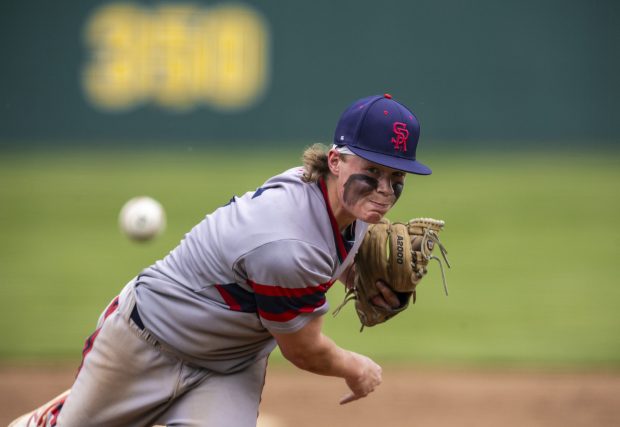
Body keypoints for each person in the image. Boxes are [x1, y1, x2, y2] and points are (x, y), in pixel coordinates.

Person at [10, 93, 433, 427]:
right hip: (146, 342)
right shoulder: (286, 242)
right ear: (336, 162)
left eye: (397, 178)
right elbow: (304, 350)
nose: (384, 190)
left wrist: (361, 276)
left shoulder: (343, 203)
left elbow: (329, 253)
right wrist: (356, 368)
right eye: (373, 172)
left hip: (229, 367)